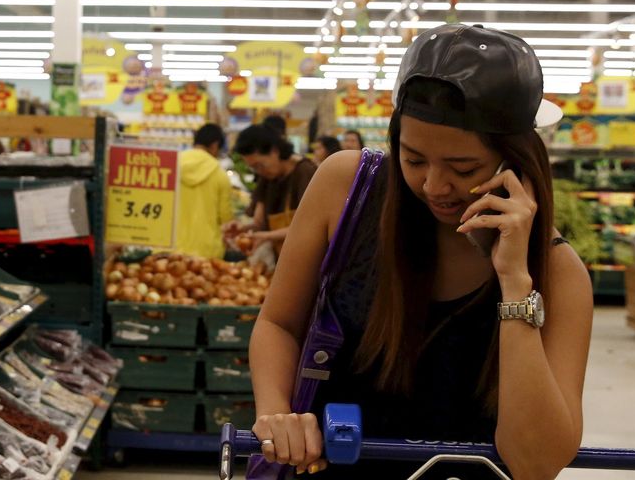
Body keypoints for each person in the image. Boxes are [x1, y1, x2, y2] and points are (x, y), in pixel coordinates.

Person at [249, 24, 591, 479]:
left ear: (516, 162)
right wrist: (277, 415)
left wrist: (514, 283)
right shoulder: (347, 189)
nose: (433, 186)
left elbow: (537, 464)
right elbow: (278, 323)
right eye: (413, 159)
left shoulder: (557, 272)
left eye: (463, 167)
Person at [231, 124, 317, 253]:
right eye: (253, 168)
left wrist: (267, 236)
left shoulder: (305, 172)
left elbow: (312, 226)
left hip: (307, 258)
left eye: (260, 165)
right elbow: (259, 222)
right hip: (280, 257)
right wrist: (242, 229)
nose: (259, 171)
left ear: (275, 151)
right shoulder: (266, 178)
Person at [176, 124, 234, 259]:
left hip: (170, 248)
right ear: (215, 145)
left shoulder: (172, 167)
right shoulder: (220, 175)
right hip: (208, 252)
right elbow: (226, 218)